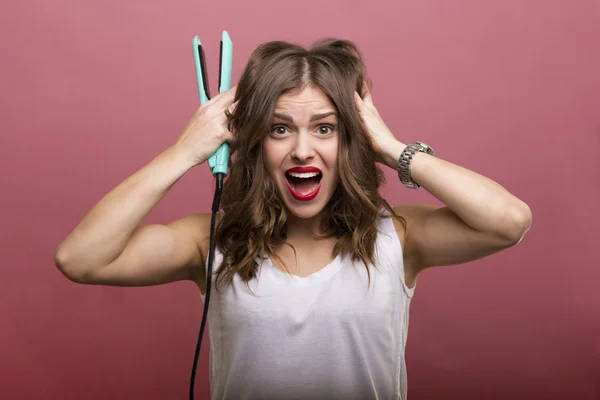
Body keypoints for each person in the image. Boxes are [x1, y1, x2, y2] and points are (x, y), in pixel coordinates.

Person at [54, 38, 532, 400]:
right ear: (255, 142)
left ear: (349, 138)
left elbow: (508, 221)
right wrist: (184, 152)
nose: (303, 150)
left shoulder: (397, 236)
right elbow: (81, 258)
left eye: (325, 128)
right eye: (280, 129)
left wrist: (389, 147)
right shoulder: (211, 241)